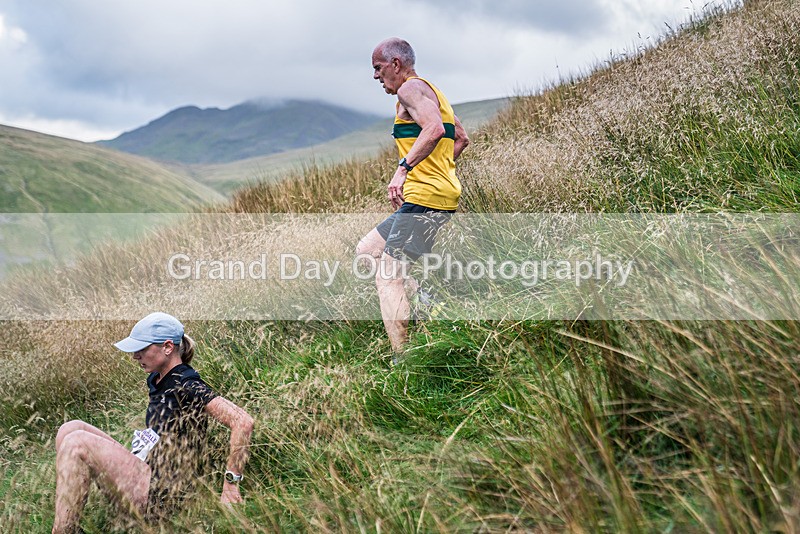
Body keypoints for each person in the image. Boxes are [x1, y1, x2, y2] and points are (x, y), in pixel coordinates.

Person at [52, 312, 255, 533]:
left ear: (167, 347)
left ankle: (62, 531)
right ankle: (71, 523)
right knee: (70, 428)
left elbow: (243, 422)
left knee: (77, 442)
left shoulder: (186, 384)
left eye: (142, 348)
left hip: (165, 495)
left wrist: (231, 485)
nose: (135, 356)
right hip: (148, 471)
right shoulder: (158, 380)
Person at [356, 37, 470, 354]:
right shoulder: (431, 92)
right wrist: (436, 171)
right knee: (367, 250)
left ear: (396, 64)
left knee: (388, 277)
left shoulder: (409, 90)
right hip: (431, 195)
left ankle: (403, 360)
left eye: (378, 68)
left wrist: (404, 169)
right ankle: (423, 301)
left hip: (425, 198)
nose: (376, 76)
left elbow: (434, 129)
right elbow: (460, 138)